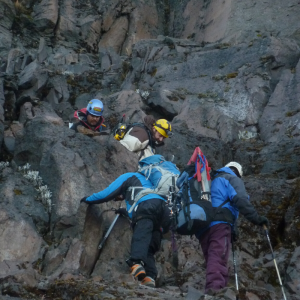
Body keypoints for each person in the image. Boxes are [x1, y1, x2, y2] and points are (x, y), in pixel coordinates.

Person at [80, 172, 171, 288]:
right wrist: (126, 212)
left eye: (117, 197)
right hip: (165, 211)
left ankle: (136, 264)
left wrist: (88, 199)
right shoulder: (150, 183)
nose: (116, 199)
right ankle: (150, 277)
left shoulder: (129, 176)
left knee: (140, 236)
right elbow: (139, 215)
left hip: (148, 206)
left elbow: (106, 194)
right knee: (148, 247)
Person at [195, 162, 269, 296]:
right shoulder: (231, 178)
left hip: (203, 226)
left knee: (211, 258)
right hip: (219, 223)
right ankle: (215, 291)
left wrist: (233, 229)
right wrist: (257, 219)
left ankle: (214, 290)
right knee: (218, 257)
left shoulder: (211, 180)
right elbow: (240, 199)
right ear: (238, 172)